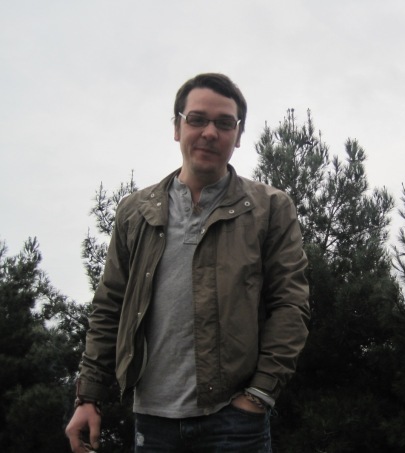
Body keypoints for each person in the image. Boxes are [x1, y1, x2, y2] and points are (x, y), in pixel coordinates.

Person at [65, 73, 310, 452]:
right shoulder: (135, 212)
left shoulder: (270, 208)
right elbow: (110, 306)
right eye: (197, 119)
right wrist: (88, 397)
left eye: (224, 123)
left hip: (234, 419)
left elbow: (291, 306)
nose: (210, 132)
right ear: (177, 127)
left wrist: (259, 394)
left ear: (238, 135)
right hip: (152, 420)